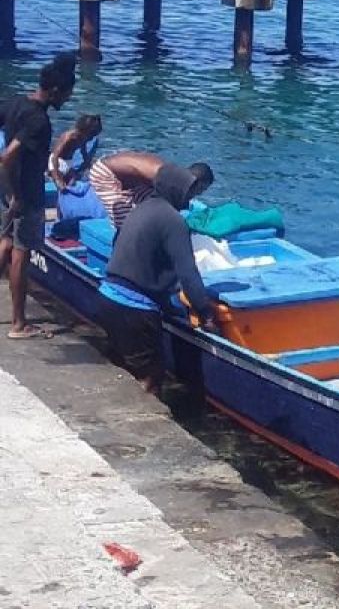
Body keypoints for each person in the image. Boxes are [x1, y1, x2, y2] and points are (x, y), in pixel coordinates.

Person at [96, 162, 219, 392]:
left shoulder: (141, 208)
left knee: (124, 366)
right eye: (186, 190)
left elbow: (122, 250)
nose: (189, 197)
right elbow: (188, 274)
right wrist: (206, 315)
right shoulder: (173, 221)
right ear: (175, 190)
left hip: (106, 296)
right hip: (133, 308)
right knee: (152, 376)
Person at [0, 53, 77, 339]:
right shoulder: (39, 121)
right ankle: (19, 324)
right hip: (25, 194)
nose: (68, 99)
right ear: (56, 90)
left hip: (9, 189)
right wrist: (18, 195)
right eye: (68, 94)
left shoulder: (16, 102)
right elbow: (8, 156)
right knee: (21, 253)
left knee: (6, 240)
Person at [91, 150, 214, 229]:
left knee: (148, 208)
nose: (198, 195)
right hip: (106, 174)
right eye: (200, 191)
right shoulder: (166, 178)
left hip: (133, 178)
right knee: (126, 225)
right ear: (195, 183)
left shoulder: (173, 177)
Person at [48, 113, 103, 192]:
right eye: (91, 135)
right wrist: (57, 177)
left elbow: (84, 153)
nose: (92, 138)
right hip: (57, 161)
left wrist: (90, 168)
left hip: (68, 163)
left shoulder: (83, 138)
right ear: (85, 130)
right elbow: (55, 156)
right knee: (61, 185)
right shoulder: (69, 136)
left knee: (73, 182)